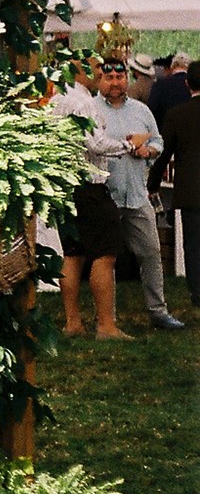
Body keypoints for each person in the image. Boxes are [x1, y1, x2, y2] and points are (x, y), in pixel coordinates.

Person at [95, 57, 183, 330]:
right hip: (104, 194)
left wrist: (150, 151)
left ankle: (158, 311)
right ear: (100, 80)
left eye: (120, 78)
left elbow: (157, 140)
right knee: (104, 257)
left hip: (135, 193)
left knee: (151, 251)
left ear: (127, 79)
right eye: (109, 78)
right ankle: (106, 317)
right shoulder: (91, 111)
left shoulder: (142, 111)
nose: (115, 83)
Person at [48, 79, 131, 339]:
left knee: (73, 254)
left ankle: (72, 321)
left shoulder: (55, 99)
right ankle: (106, 324)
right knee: (106, 254)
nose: (104, 76)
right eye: (99, 69)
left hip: (65, 186)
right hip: (89, 187)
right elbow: (96, 144)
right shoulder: (82, 102)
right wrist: (128, 145)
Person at [149, 59, 200, 307]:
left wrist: (153, 184)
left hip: (191, 188)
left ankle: (198, 292)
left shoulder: (177, 115)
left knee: (193, 244)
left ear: (188, 84)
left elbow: (164, 153)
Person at [148, 52, 192, 131]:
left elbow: (151, 111)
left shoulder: (159, 84)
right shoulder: (193, 85)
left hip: (165, 133)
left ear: (172, 67)